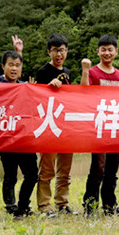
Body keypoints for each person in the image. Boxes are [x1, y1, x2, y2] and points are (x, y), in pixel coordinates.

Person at [0, 41, 39, 218]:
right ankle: (11, 207)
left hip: (25, 138)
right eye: (10, 64)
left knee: (32, 174)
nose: (14, 68)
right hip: (7, 138)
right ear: (3, 66)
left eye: (18, 65)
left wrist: (19, 52)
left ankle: (23, 206)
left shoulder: (27, 86)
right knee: (10, 175)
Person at [81, 34, 119, 215]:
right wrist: (84, 70)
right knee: (98, 167)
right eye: (103, 49)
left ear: (116, 52)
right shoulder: (92, 72)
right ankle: (90, 205)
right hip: (98, 127)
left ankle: (109, 204)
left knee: (112, 169)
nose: (107, 53)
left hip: (116, 127)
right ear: (98, 52)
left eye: (110, 49)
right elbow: (84, 93)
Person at [35, 33, 74, 217]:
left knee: (65, 170)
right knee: (47, 169)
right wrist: (49, 86)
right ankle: (44, 206)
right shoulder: (42, 72)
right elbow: (38, 97)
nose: (60, 54)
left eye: (63, 50)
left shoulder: (68, 71)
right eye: (56, 51)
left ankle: (62, 203)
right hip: (49, 125)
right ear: (49, 51)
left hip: (66, 126)